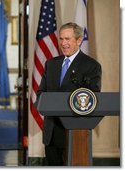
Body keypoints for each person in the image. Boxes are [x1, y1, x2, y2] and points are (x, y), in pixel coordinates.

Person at [36, 22, 102, 166]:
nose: (63, 43)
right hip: (51, 132)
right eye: (61, 39)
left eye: (68, 39)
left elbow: (92, 98)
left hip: (74, 132)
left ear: (79, 40)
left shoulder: (91, 65)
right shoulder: (51, 64)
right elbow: (41, 92)